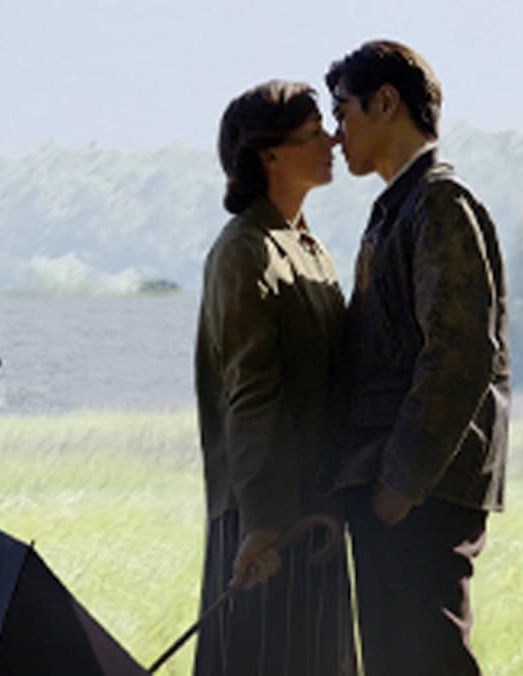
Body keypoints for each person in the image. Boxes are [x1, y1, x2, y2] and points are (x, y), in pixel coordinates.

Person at [325, 39, 509, 675]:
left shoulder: (437, 203)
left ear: (386, 102)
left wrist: (400, 485)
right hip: (394, 485)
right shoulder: (397, 210)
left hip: (418, 491)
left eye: (343, 110)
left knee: (427, 660)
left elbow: (461, 352)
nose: (335, 132)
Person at [192, 79, 355, 676]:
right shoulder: (244, 251)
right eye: (312, 134)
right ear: (269, 155)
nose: (331, 141)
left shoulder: (309, 248)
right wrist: (261, 522)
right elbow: (250, 391)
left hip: (315, 503)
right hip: (266, 514)